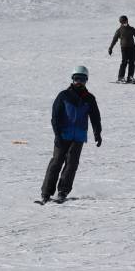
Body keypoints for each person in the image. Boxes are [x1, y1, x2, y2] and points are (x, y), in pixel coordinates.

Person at [41, 65, 102, 203]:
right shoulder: (63, 95)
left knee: (72, 164)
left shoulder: (89, 98)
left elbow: (95, 117)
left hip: (78, 137)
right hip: (63, 135)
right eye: (76, 79)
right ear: (72, 79)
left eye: (82, 79)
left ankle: (63, 191)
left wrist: (97, 133)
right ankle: (46, 192)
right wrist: (57, 134)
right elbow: (55, 117)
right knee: (56, 162)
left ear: (86, 80)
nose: (79, 82)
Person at [108, 16, 135, 83]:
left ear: (127, 20)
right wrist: (110, 48)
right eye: (123, 22)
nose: (125, 23)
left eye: (125, 21)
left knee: (132, 63)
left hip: (132, 47)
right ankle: (120, 77)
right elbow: (114, 40)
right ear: (120, 22)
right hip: (124, 48)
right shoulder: (119, 30)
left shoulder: (131, 29)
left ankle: (130, 77)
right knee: (124, 62)